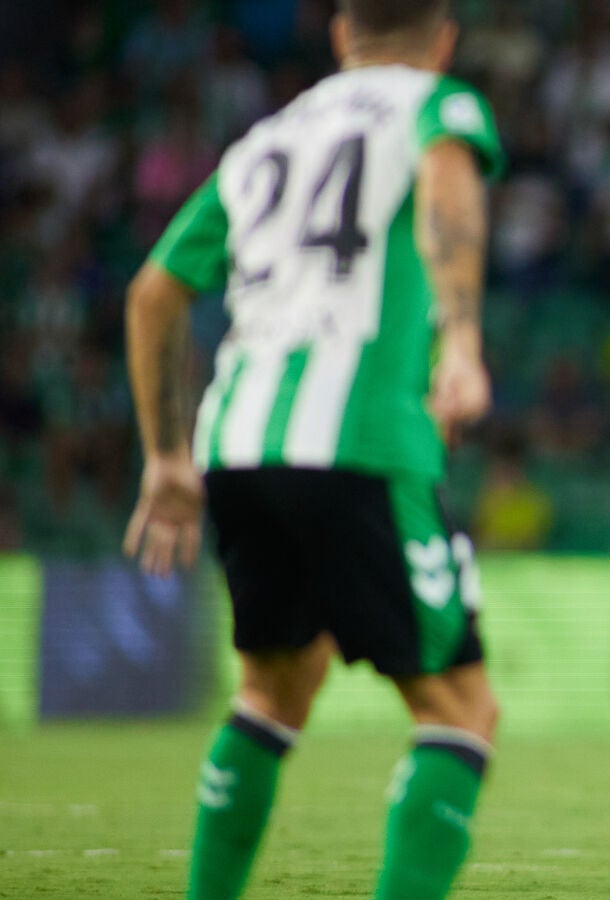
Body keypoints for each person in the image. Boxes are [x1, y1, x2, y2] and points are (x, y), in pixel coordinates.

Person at [121, 2, 501, 897]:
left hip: (235, 442)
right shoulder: (439, 106)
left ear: (340, 35)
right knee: (459, 709)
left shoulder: (264, 141)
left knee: (273, 690)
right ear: (443, 39)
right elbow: (447, 186)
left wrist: (165, 456)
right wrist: (460, 340)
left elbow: (152, 294)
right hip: (357, 441)